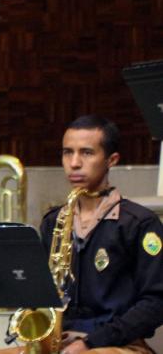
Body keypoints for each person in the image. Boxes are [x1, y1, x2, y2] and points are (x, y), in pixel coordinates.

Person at [25, 116, 162, 354]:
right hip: (62, 341)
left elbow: (156, 303)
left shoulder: (140, 223)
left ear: (112, 160)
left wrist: (91, 342)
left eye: (87, 153)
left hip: (119, 343)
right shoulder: (52, 222)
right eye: (67, 152)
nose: (74, 163)